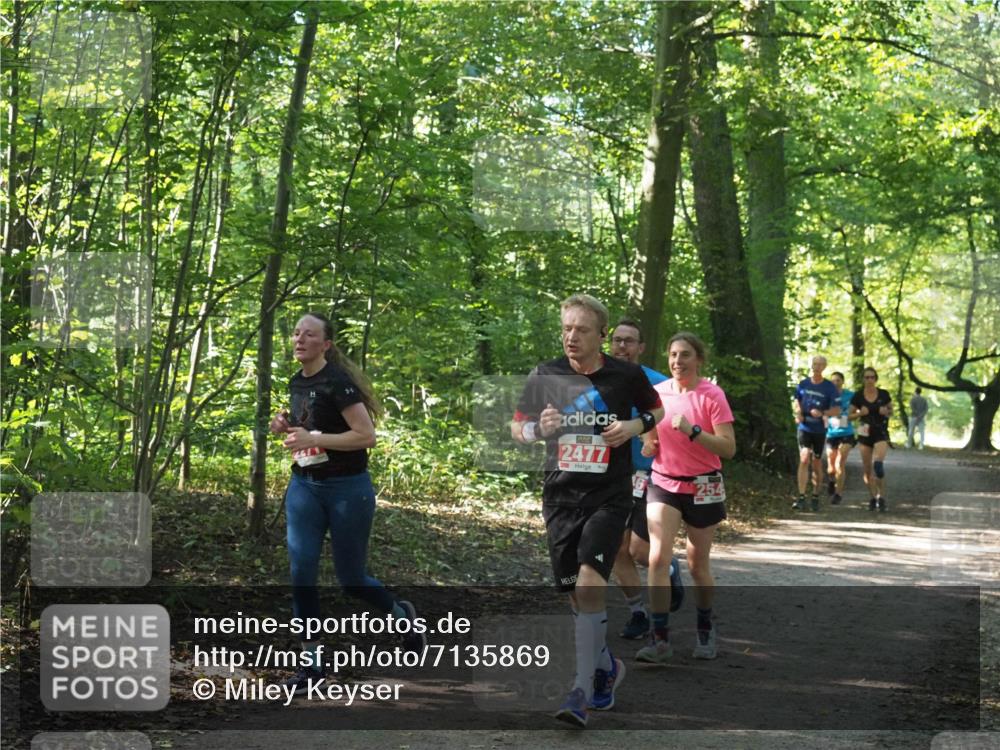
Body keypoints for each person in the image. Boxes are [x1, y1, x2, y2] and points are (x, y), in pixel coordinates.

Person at [511, 294, 663, 728]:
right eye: (566, 329)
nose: (571, 337)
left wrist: (634, 427)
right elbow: (517, 427)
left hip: (608, 494)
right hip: (560, 496)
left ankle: (579, 688)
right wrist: (536, 429)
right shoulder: (545, 374)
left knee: (592, 581)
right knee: (576, 594)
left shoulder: (626, 375)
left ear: (601, 335)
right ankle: (607, 668)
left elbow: (656, 411)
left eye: (581, 330)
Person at [270, 312, 426, 694]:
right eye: (295, 333)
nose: (299, 339)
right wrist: (286, 424)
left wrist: (312, 438)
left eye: (309, 335)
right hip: (304, 485)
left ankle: (401, 616)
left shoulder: (339, 384)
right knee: (301, 573)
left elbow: (365, 436)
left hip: (347, 489)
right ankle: (312, 665)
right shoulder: (297, 380)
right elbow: (308, 425)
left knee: (351, 579)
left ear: (326, 345)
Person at [637, 332, 735, 665]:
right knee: (657, 559)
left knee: (697, 565)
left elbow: (728, 448)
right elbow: (650, 437)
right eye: (673, 354)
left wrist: (693, 431)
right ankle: (659, 638)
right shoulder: (657, 394)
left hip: (704, 484)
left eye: (685, 355)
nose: (678, 361)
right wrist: (649, 445)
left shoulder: (712, 395)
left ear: (699, 359)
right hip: (664, 482)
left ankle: (705, 627)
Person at [608, 318, 685, 641]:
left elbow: (675, 428)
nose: (622, 346)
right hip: (609, 476)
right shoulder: (595, 381)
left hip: (649, 474)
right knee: (615, 550)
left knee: (640, 552)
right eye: (617, 340)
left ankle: (668, 569)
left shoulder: (658, 384)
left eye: (629, 341)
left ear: (640, 347)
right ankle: (638, 612)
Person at [792, 356, 840, 512]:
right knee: (804, 458)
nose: (817, 367)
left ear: (824, 367)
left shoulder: (829, 387)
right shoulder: (804, 384)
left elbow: (837, 410)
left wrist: (822, 412)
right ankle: (800, 496)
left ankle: (815, 495)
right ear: (811, 365)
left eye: (820, 364)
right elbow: (796, 400)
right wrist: (798, 412)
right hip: (804, 427)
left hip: (819, 430)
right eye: (815, 364)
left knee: (817, 463)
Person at [850, 367, 893, 512]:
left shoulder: (883, 394)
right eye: (866, 377)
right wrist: (859, 413)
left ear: (876, 379)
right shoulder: (858, 396)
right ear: (863, 379)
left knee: (878, 465)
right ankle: (873, 497)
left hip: (880, 431)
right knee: (867, 469)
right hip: (864, 431)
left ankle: (882, 496)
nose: (869, 380)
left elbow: (891, 411)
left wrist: (885, 411)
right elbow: (848, 416)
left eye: (872, 377)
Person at [824, 371, 856, 506]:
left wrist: (846, 418)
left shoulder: (851, 395)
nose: (835, 383)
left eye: (838, 380)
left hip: (847, 433)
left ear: (843, 382)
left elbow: (857, 412)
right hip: (831, 434)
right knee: (831, 468)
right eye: (833, 381)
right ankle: (831, 481)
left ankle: (838, 494)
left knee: (839, 463)